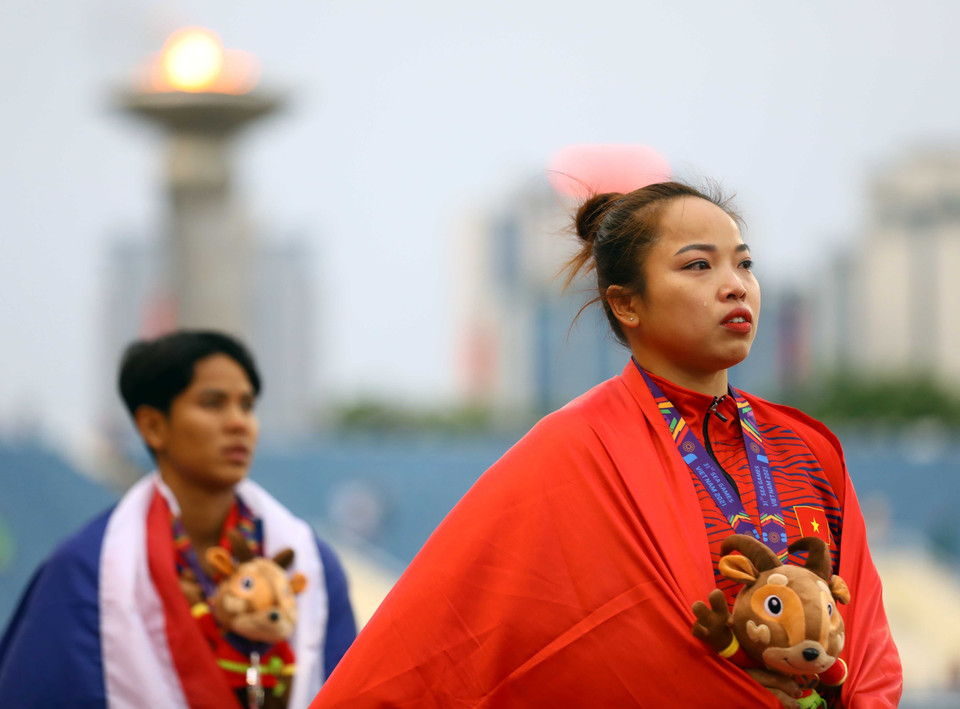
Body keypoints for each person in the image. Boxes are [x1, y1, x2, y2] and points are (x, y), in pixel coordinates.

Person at [309, 182, 902, 708]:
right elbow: (450, 649)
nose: (733, 286)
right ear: (627, 303)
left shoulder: (806, 447)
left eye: (743, 265)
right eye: (698, 266)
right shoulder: (573, 449)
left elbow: (868, 640)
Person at [0, 330, 357, 708]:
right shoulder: (87, 571)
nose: (239, 423)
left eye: (247, 406)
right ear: (153, 426)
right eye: (213, 403)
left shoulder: (309, 565)